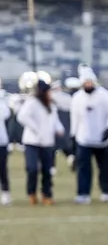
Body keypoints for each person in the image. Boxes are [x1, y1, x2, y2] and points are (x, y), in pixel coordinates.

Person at [71, 66, 108, 204]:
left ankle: (106, 191)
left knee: (105, 168)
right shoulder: (77, 98)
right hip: (83, 138)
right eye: (85, 83)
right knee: (83, 168)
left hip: (102, 139)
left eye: (90, 82)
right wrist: (73, 135)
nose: (88, 85)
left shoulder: (105, 95)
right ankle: (83, 193)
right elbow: (75, 118)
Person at [17, 75, 63, 205]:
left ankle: (46, 194)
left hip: (47, 142)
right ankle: (32, 193)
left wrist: (59, 129)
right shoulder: (32, 103)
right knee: (32, 169)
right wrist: (36, 129)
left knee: (47, 170)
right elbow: (22, 117)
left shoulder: (51, 105)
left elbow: (54, 120)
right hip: (32, 142)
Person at [0, 90, 10, 206]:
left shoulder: (2, 101)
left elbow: (5, 114)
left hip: (1, 141)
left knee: (2, 168)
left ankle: (6, 193)